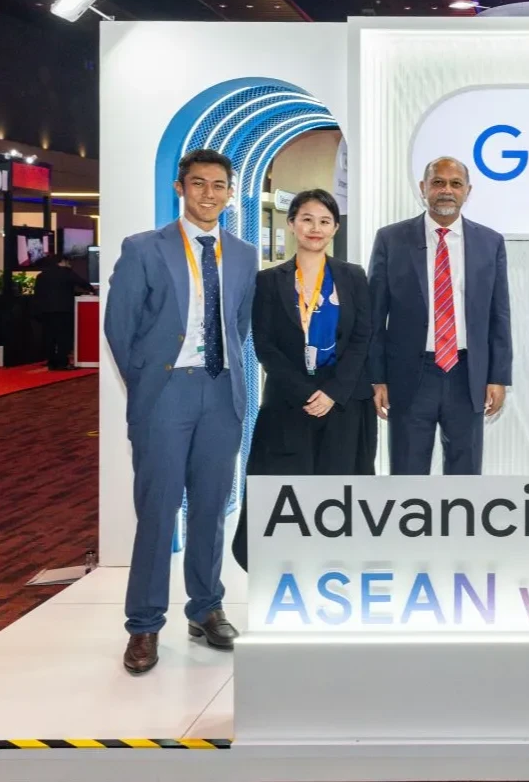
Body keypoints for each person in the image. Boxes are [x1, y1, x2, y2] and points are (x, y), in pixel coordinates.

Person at [104, 148, 257, 675]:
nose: (209, 194)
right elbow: (119, 329)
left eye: (218, 185)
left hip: (221, 393)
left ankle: (206, 607)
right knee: (158, 511)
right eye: (198, 184)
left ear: (230, 193)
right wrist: (150, 383)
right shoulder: (145, 248)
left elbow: (238, 325)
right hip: (166, 393)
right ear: (180, 187)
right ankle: (144, 626)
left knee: (212, 508)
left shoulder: (242, 254)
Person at [232, 189, 375, 571]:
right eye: (307, 219)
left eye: (325, 221)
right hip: (288, 402)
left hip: (344, 403)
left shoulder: (352, 276)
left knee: (341, 491)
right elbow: (264, 344)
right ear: (292, 223)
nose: (316, 228)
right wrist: (306, 391)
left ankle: (339, 569)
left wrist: (332, 392)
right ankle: (288, 571)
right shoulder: (269, 280)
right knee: (287, 490)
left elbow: (362, 337)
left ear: (335, 228)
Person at [368, 156, 512, 474]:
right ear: (423, 188)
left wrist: (498, 377)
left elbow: (498, 315)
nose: (446, 190)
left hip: (467, 374)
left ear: (467, 191)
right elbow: (374, 317)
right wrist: (377, 377)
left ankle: (459, 527)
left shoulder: (490, 243)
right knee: (407, 472)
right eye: (438, 182)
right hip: (409, 375)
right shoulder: (391, 240)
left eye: (455, 183)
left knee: (465, 472)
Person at [32, 254, 92, 369]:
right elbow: (82, 283)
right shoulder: (66, 272)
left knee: (49, 337)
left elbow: (39, 295)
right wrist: (92, 290)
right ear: (62, 261)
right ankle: (62, 362)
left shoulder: (41, 276)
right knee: (63, 337)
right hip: (63, 311)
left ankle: (51, 362)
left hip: (46, 312)